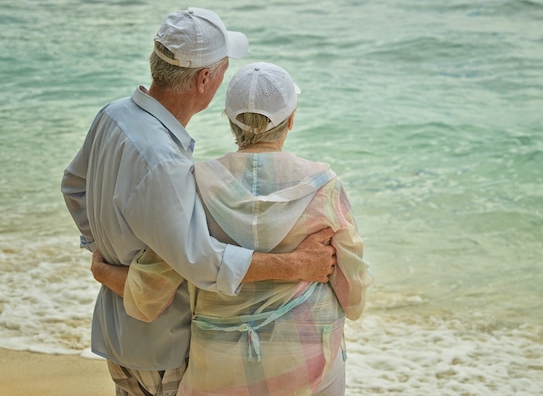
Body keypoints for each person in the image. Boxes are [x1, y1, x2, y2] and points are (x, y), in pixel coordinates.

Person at [61, 8, 336, 396]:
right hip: (162, 346)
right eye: (223, 69)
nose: (224, 78)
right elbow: (203, 262)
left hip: (119, 330)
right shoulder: (164, 161)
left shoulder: (114, 115)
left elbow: (74, 187)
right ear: (204, 78)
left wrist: (110, 255)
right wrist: (295, 264)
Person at [94, 62, 373, 396]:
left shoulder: (196, 185)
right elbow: (353, 296)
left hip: (219, 365)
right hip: (310, 364)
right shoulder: (324, 188)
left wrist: (101, 271)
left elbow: (151, 292)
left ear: (230, 120)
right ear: (291, 120)